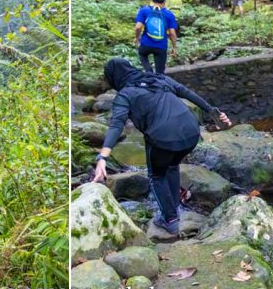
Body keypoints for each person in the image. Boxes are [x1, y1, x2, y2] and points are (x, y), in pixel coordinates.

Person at [91, 58, 232, 235]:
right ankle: (175, 207)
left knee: (156, 175)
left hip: (164, 138)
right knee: (172, 165)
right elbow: (187, 92)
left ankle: (170, 219)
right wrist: (213, 112)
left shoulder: (125, 94)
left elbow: (116, 125)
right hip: (191, 133)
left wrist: (103, 157)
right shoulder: (158, 79)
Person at [134, 0, 179, 74]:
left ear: (151, 0)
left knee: (142, 54)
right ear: (165, 2)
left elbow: (138, 27)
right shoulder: (169, 14)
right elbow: (172, 33)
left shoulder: (144, 10)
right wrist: (174, 47)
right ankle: (159, 81)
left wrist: (137, 38)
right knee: (160, 73)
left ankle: (148, 71)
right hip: (161, 47)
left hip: (145, 44)